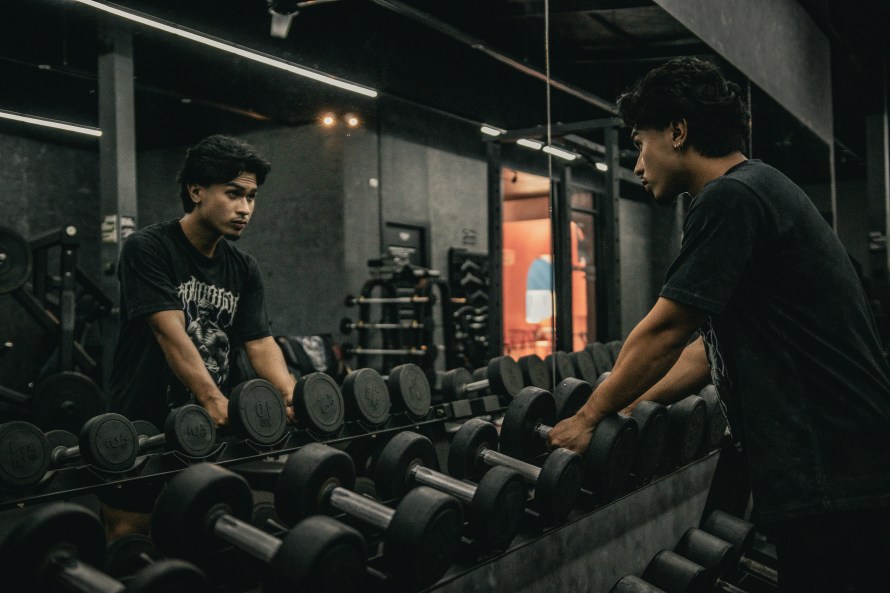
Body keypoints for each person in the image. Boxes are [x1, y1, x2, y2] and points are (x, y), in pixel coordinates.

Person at [547, 57, 890, 592]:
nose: (637, 165)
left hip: (835, 474)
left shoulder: (731, 197)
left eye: (640, 143)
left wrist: (588, 416)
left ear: (678, 132)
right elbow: (705, 354)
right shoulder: (761, 189)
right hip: (845, 470)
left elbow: (666, 331)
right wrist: (629, 404)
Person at [102, 134, 296, 539]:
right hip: (144, 422)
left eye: (251, 197)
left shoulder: (243, 267)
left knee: (200, 527)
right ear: (196, 192)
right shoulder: (147, 248)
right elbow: (169, 331)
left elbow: (260, 342)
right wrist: (214, 400)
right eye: (233, 194)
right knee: (130, 533)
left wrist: (292, 395)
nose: (245, 209)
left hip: (207, 428)